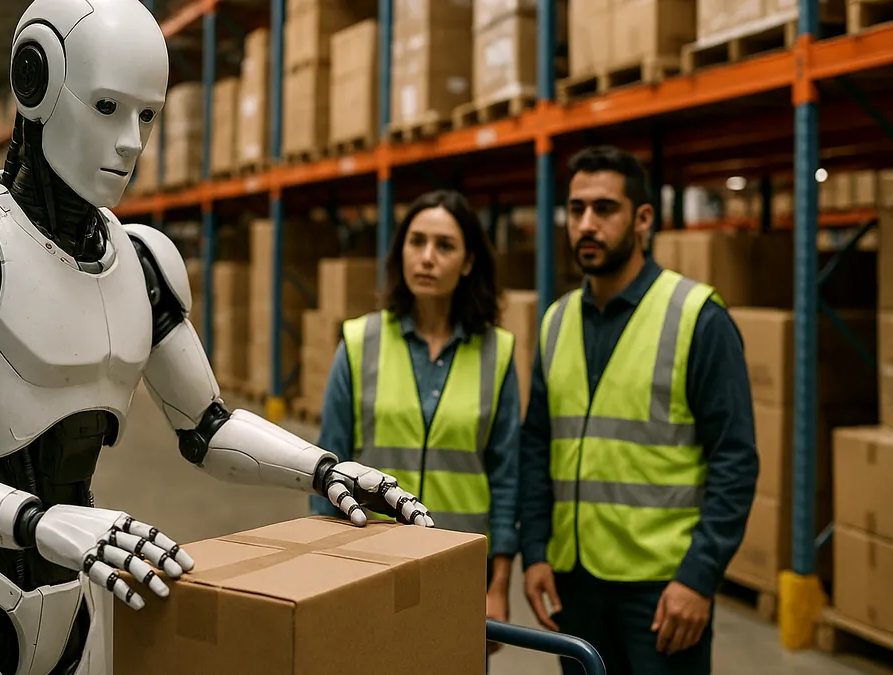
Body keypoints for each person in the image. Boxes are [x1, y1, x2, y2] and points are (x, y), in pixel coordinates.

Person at [0, 1, 433, 672]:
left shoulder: (142, 261)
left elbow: (207, 426)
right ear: (36, 81)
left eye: (147, 115)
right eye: (107, 107)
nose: (132, 142)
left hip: (87, 581)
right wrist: (37, 520)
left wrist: (323, 467)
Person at [518, 145, 758, 675]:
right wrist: (535, 551)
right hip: (574, 585)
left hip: (662, 593)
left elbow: (735, 459)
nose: (585, 224)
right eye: (576, 209)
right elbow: (536, 444)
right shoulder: (556, 321)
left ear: (643, 219)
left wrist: (699, 576)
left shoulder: (697, 317)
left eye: (604, 209)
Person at [311, 189, 521, 655]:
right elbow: (327, 470)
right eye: (417, 241)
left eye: (445, 246)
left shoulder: (497, 352)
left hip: (460, 567)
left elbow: (507, 479)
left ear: (468, 263)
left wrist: (499, 585)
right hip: (368, 566)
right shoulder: (360, 342)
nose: (427, 257)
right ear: (400, 251)